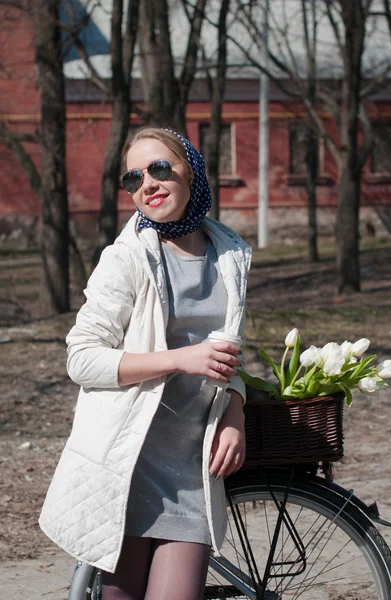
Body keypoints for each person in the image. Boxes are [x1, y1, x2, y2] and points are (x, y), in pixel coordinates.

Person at [39, 127, 251, 600]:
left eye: (159, 169)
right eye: (133, 178)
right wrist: (180, 359)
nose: (147, 185)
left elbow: (232, 354)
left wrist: (235, 408)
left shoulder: (231, 255)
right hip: (126, 469)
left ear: (191, 172)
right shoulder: (126, 259)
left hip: (190, 473)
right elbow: (82, 357)